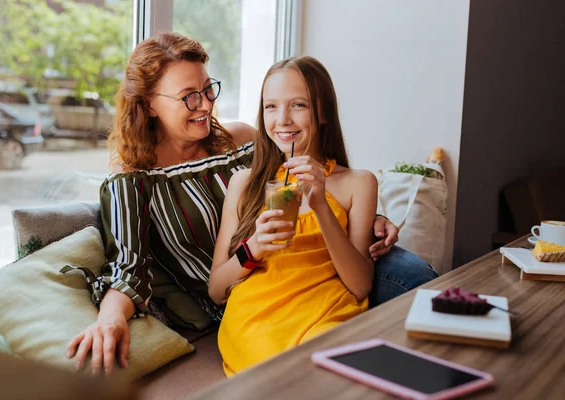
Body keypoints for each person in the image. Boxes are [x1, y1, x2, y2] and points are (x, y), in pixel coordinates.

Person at [64, 31, 435, 376]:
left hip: (322, 264)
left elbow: (306, 165)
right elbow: (129, 264)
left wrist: (368, 216)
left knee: (420, 282)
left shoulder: (239, 140)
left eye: (208, 89)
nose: (205, 104)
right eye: (189, 96)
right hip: (246, 284)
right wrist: (110, 318)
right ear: (148, 105)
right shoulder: (133, 178)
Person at [210, 55, 378, 375]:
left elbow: (360, 286)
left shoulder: (359, 183)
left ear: (323, 111)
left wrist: (321, 207)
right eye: (271, 106)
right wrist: (255, 246)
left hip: (327, 316)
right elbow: (216, 290)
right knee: (298, 375)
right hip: (256, 323)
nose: (282, 119)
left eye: (297, 105)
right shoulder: (244, 184)